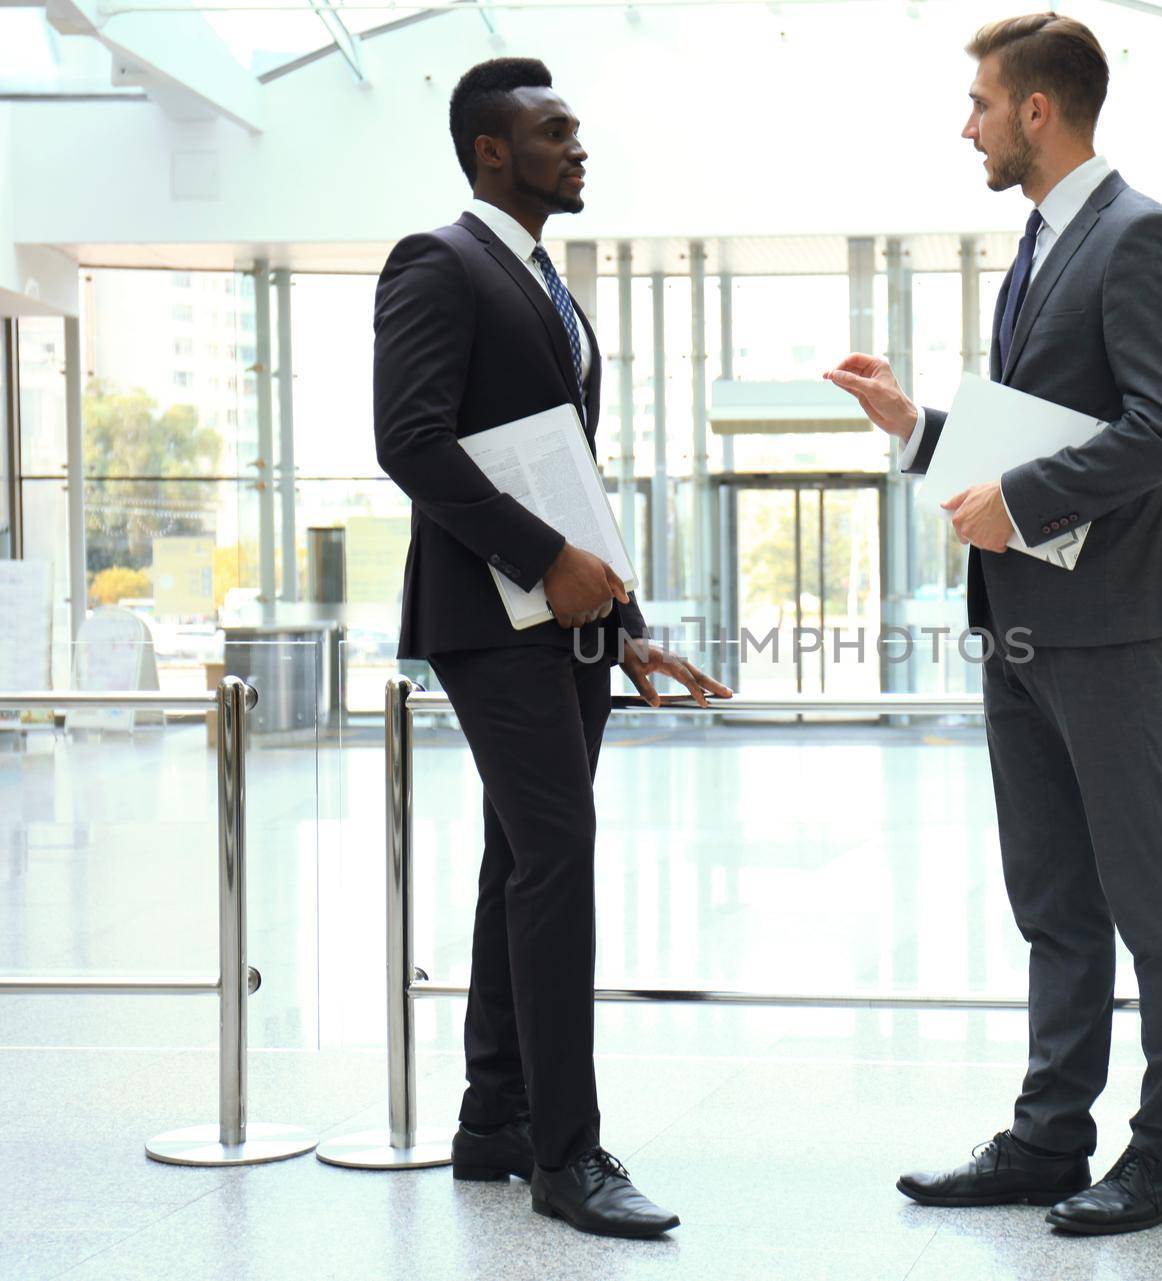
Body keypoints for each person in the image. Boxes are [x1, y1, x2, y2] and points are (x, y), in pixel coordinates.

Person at [826, 13, 1162, 1237]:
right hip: (1023, 616)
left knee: (1149, 900)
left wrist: (1023, 498)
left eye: (981, 106)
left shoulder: (1139, 235)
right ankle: (1052, 1138)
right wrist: (917, 430)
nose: (969, 126)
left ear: (1038, 110)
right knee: (1051, 894)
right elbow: (1035, 440)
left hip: (1107, 623)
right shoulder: (1043, 243)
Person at [373, 56, 729, 1239]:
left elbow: (559, 467)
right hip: (492, 619)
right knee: (558, 860)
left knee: (518, 862)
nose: (579, 149)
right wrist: (543, 564)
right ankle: (569, 1160)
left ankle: (497, 1121)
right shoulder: (440, 261)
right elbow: (412, 443)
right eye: (553, 132)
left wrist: (622, 626)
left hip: (564, 626)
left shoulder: (542, 282)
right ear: (491, 151)